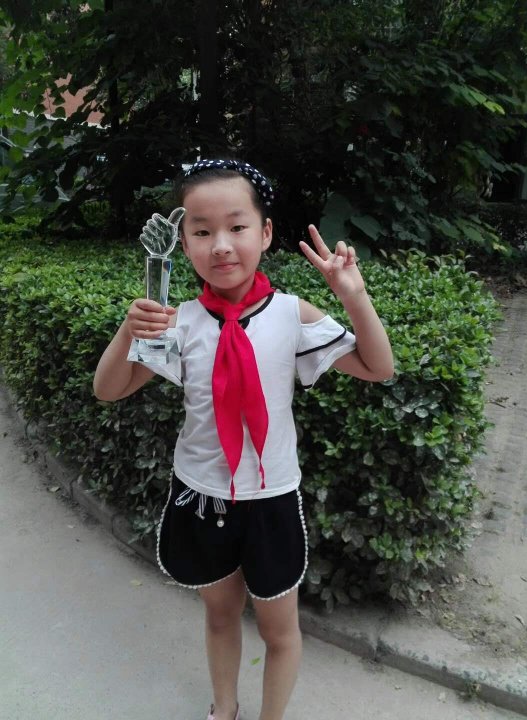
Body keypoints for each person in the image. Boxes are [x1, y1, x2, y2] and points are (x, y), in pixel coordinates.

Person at [93, 159, 394, 720]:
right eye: (202, 231)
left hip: (270, 497)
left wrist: (353, 295)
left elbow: (378, 367)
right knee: (219, 614)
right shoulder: (178, 321)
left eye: (237, 226)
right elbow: (109, 389)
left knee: (280, 631)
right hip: (201, 494)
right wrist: (128, 329)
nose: (221, 245)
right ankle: (224, 710)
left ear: (266, 232)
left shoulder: (291, 315)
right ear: (183, 243)